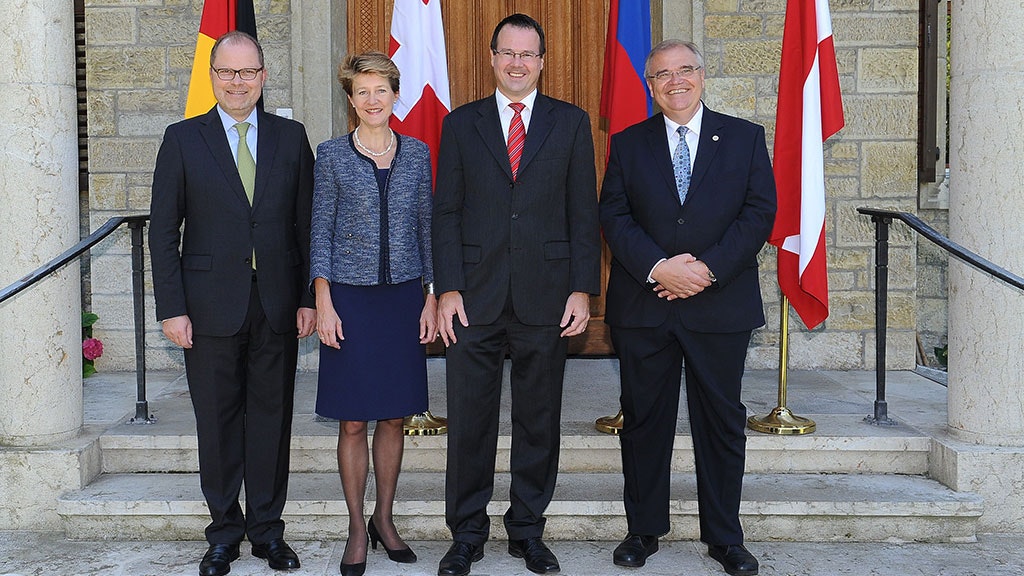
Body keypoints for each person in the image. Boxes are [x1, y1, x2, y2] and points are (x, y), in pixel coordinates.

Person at [599, 40, 776, 576]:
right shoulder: (629, 143)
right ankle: (643, 529)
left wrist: (704, 271)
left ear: (702, 75)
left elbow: (758, 212)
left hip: (719, 304)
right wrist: (660, 268)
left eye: (685, 71)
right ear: (649, 86)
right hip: (645, 303)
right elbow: (614, 214)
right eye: (662, 75)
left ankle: (725, 536)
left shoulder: (745, 138)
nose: (675, 81)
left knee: (720, 423)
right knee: (645, 421)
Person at [432, 13, 601, 576]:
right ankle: (467, 534)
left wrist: (583, 289)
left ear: (543, 61)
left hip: (547, 297)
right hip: (473, 299)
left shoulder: (571, 124)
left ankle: (528, 529)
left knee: (538, 420)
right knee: (470, 421)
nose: (517, 62)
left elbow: (584, 211)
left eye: (528, 54)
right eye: (508, 52)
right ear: (492, 57)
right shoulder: (461, 124)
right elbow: (446, 211)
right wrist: (448, 287)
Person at [149, 31, 315, 576]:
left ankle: (268, 532)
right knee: (216, 425)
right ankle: (223, 532)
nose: (237, 82)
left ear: (263, 77)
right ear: (212, 76)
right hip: (207, 307)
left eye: (247, 73)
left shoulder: (292, 138)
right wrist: (172, 307)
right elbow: (163, 231)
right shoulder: (181, 139)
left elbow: (308, 226)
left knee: (271, 421)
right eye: (227, 72)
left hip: (276, 306)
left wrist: (309, 297)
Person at [309, 51, 437, 576]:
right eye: (362, 91)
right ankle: (356, 527)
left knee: (394, 415)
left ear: (394, 93)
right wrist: (322, 300)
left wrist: (432, 293)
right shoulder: (332, 155)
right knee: (354, 420)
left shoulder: (419, 154)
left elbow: (428, 227)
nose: (372, 99)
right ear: (350, 99)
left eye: (380, 89)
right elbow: (319, 230)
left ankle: (385, 519)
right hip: (350, 301)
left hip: (405, 298)